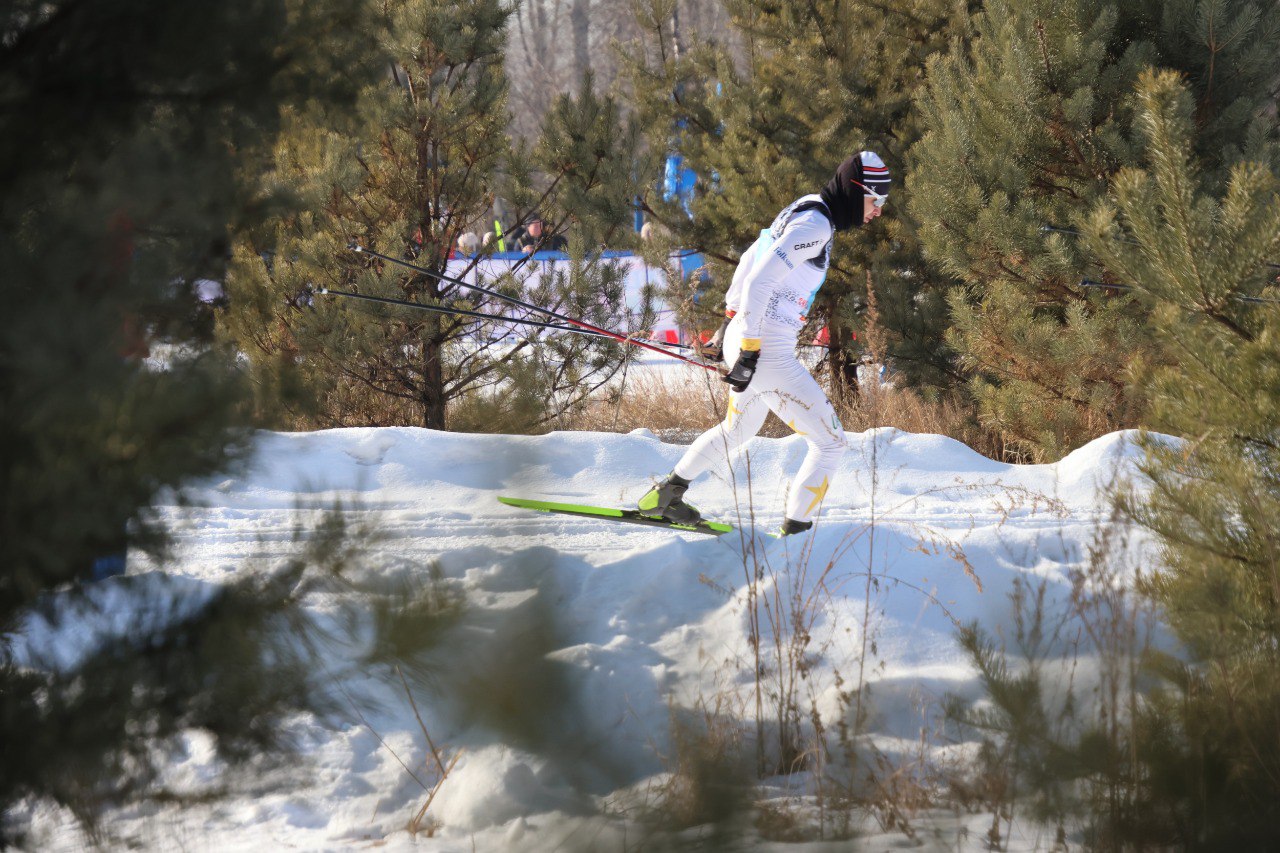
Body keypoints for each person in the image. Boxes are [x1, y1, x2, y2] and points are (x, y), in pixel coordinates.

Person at [637, 151, 891, 536]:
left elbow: (750, 258)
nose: (878, 212)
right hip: (766, 349)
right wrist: (751, 349)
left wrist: (730, 327)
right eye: (877, 201)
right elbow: (760, 281)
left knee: (737, 430)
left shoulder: (806, 209)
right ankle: (795, 537)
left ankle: (665, 496)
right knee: (831, 443)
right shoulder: (815, 226)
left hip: (751, 338)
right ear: (857, 191)